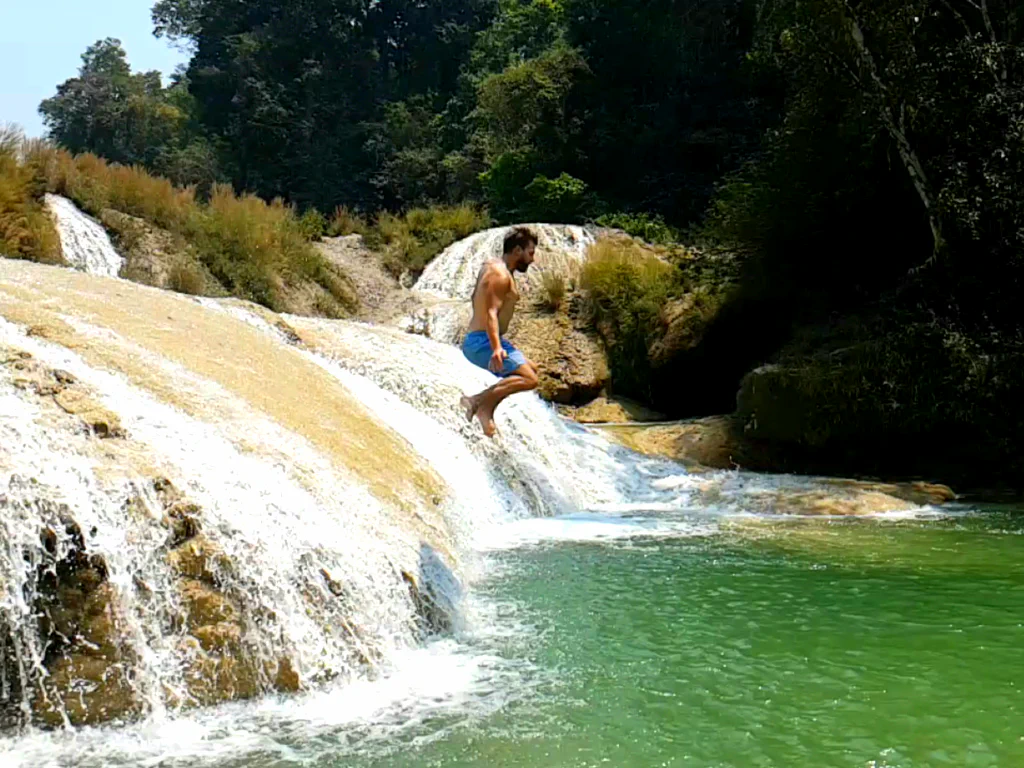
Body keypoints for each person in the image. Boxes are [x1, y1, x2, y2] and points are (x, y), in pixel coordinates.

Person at [459, 227, 540, 436]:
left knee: (532, 368)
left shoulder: (493, 267)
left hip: (484, 338)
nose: (532, 259)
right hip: (481, 342)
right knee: (530, 379)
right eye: (530, 253)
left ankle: (485, 406)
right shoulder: (500, 275)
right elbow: (491, 312)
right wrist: (496, 348)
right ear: (516, 251)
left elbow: (475, 299)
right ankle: (479, 404)